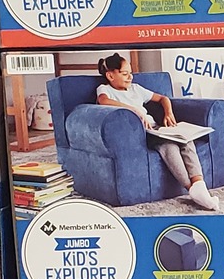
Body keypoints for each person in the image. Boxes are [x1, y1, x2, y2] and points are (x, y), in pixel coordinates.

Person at [93, 52, 217, 212]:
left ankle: (199, 185)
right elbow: (103, 100)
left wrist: (168, 113)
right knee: (169, 146)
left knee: (186, 140)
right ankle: (190, 188)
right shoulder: (105, 89)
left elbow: (163, 98)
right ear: (110, 75)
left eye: (131, 73)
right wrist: (134, 110)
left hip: (156, 128)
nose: (130, 77)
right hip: (142, 133)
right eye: (124, 74)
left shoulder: (136, 89)